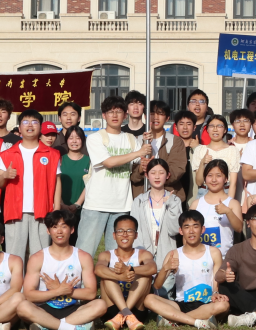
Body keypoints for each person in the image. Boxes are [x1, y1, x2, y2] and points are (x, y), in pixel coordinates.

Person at [15, 210, 107, 330]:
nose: (59, 231)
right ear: (48, 231)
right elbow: (29, 295)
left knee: (100, 304)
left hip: (73, 308)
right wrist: (57, 291)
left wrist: (67, 291)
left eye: (64, 226)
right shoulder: (37, 258)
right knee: (22, 307)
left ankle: (47, 326)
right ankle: (73, 328)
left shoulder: (83, 257)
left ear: (72, 230)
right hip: (43, 308)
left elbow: (91, 293)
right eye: (54, 227)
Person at [80, 95, 147, 256]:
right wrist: (138, 153)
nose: (115, 115)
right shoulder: (95, 138)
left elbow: (139, 166)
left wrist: (144, 158)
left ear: (125, 115)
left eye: (119, 111)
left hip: (122, 205)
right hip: (96, 204)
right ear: (104, 115)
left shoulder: (131, 139)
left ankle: (110, 274)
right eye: (110, 112)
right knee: (84, 252)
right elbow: (108, 162)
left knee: (116, 254)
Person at [0, 110, 63, 261]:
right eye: (25, 122)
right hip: (15, 211)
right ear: (19, 128)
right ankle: (17, 278)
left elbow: (57, 181)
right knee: (15, 255)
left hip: (43, 211)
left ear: (40, 127)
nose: (30, 125)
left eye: (34, 122)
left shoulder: (52, 154)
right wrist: (5, 175)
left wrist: (57, 208)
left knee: (40, 254)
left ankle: (37, 278)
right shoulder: (7, 154)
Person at [144, 210, 229, 329]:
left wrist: (216, 293)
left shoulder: (214, 252)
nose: (191, 231)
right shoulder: (174, 254)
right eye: (187, 227)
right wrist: (166, 268)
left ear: (202, 229)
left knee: (223, 305)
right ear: (181, 231)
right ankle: (196, 321)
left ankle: (175, 320)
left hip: (207, 302)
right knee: (149, 299)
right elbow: (157, 286)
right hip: (181, 304)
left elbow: (216, 282)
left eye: (195, 226)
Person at [94, 214, 155, 330]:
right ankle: (126, 314)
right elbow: (98, 269)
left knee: (145, 275)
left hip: (137, 311)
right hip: (111, 310)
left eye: (129, 231)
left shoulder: (143, 254)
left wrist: (129, 269)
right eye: (120, 231)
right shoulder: (106, 255)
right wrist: (121, 276)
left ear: (136, 235)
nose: (125, 234)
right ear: (114, 235)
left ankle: (121, 316)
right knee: (107, 275)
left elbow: (152, 268)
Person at [129, 157, 184, 266]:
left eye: (161, 173)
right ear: (147, 175)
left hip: (167, 257)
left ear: (168, 175)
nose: (157, 176)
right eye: (153, 173)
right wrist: (141, 256)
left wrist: (171, 205)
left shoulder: (175, 200)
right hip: (143, 258)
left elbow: (174, 230)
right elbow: (135, 231)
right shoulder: (139, 201)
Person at [192, 159, 242, 254]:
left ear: (226, 179)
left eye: (218, 175)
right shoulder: (196, 204)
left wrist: (228, 212)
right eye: (210, 175)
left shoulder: (233, 203)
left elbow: (239, 228)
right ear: (205, 178)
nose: (214, 179)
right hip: (200, 256)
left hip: (224, 256)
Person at [192, 115, 241, 197]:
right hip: (204, 193)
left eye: (219, 126)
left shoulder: (232, 150)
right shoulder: (199, 150)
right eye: (211, 126)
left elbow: (233, 183)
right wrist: (202, 163)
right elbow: (199, 182)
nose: (215, 129)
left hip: (225, 192)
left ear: (225, 130)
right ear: (207, 129)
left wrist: (229, 202)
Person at [58, 125, 90, 217]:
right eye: (71, 138)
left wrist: (77, 204)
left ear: (83, 140)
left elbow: (90, 185)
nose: (74, 141)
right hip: (61, 210)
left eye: (78, 138)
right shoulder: (59, 160)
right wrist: (61, 203)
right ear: (66, 140)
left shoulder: (89, 161)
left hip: (83, 210)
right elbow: (54, 184)